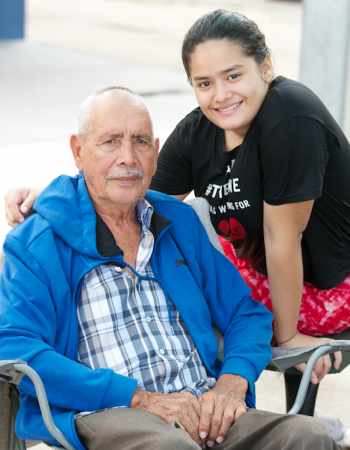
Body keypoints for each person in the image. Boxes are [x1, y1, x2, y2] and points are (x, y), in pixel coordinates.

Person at [5, 10, 350, 388]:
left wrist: (286, 340)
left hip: (332, 285)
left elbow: (281, 237)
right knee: (157, 255)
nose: (221, 95)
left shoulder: (290, 115)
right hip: (266, 275)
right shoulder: (200, 131)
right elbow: (127, 194)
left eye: (233, 76)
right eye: (204, 83)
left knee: (199, 293)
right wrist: (55, 197)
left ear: (265, 67)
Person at [0, 87, 339, 450]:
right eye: (111, 142)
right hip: (111, 413)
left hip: (204, 408)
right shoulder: (38, 241)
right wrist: (138, 398)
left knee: (309, 437)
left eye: (141, 142)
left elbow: (246, 313)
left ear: (156, 151)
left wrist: (232, 383)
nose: (127, 157)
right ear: (78, 151)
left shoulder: (176, 221)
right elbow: (14, 344)